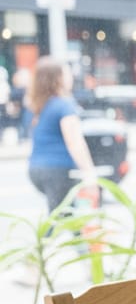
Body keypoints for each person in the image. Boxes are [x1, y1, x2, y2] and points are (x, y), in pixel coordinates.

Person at [27, 57, 98, 214]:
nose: (71, 77)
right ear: (57, 78)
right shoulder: (64, 105)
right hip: (57, 169)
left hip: (36, 168)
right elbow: (75, 141)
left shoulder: (38, 105)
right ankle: (46, 239)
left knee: (69, 215)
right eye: (67, 73)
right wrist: (89, 172)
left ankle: (78, 237)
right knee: (58, 216)